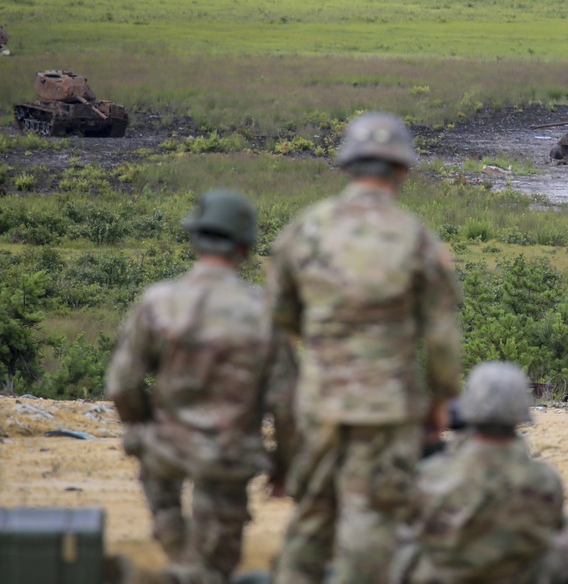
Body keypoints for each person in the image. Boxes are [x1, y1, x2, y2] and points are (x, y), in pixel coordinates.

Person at [269, 112, 464, 584]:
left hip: (318, 400)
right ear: (401, 170)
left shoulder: (306, 228)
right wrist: (441, 399)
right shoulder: (415, 237)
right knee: (373, 520)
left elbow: (281, 316)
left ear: (349, 167)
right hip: (388, 405)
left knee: (312, 515)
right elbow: (440, 332)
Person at [106, 189, 297, 584]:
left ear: (194, 240)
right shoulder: (263, 312)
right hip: (229, 455)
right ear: (244, 248)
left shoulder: (158, 302)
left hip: (164, 450)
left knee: (182, 547)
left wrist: (144, 427)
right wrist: (284, 464)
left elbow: (122, 383)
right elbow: (287, 404)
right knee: (215, 565)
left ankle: (180, 563)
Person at [394, 361, 568, 584]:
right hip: (521, 576)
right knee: (563, 542)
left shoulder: (433, 473)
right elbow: (550, 525)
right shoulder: (543, 478)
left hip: (443, 576)